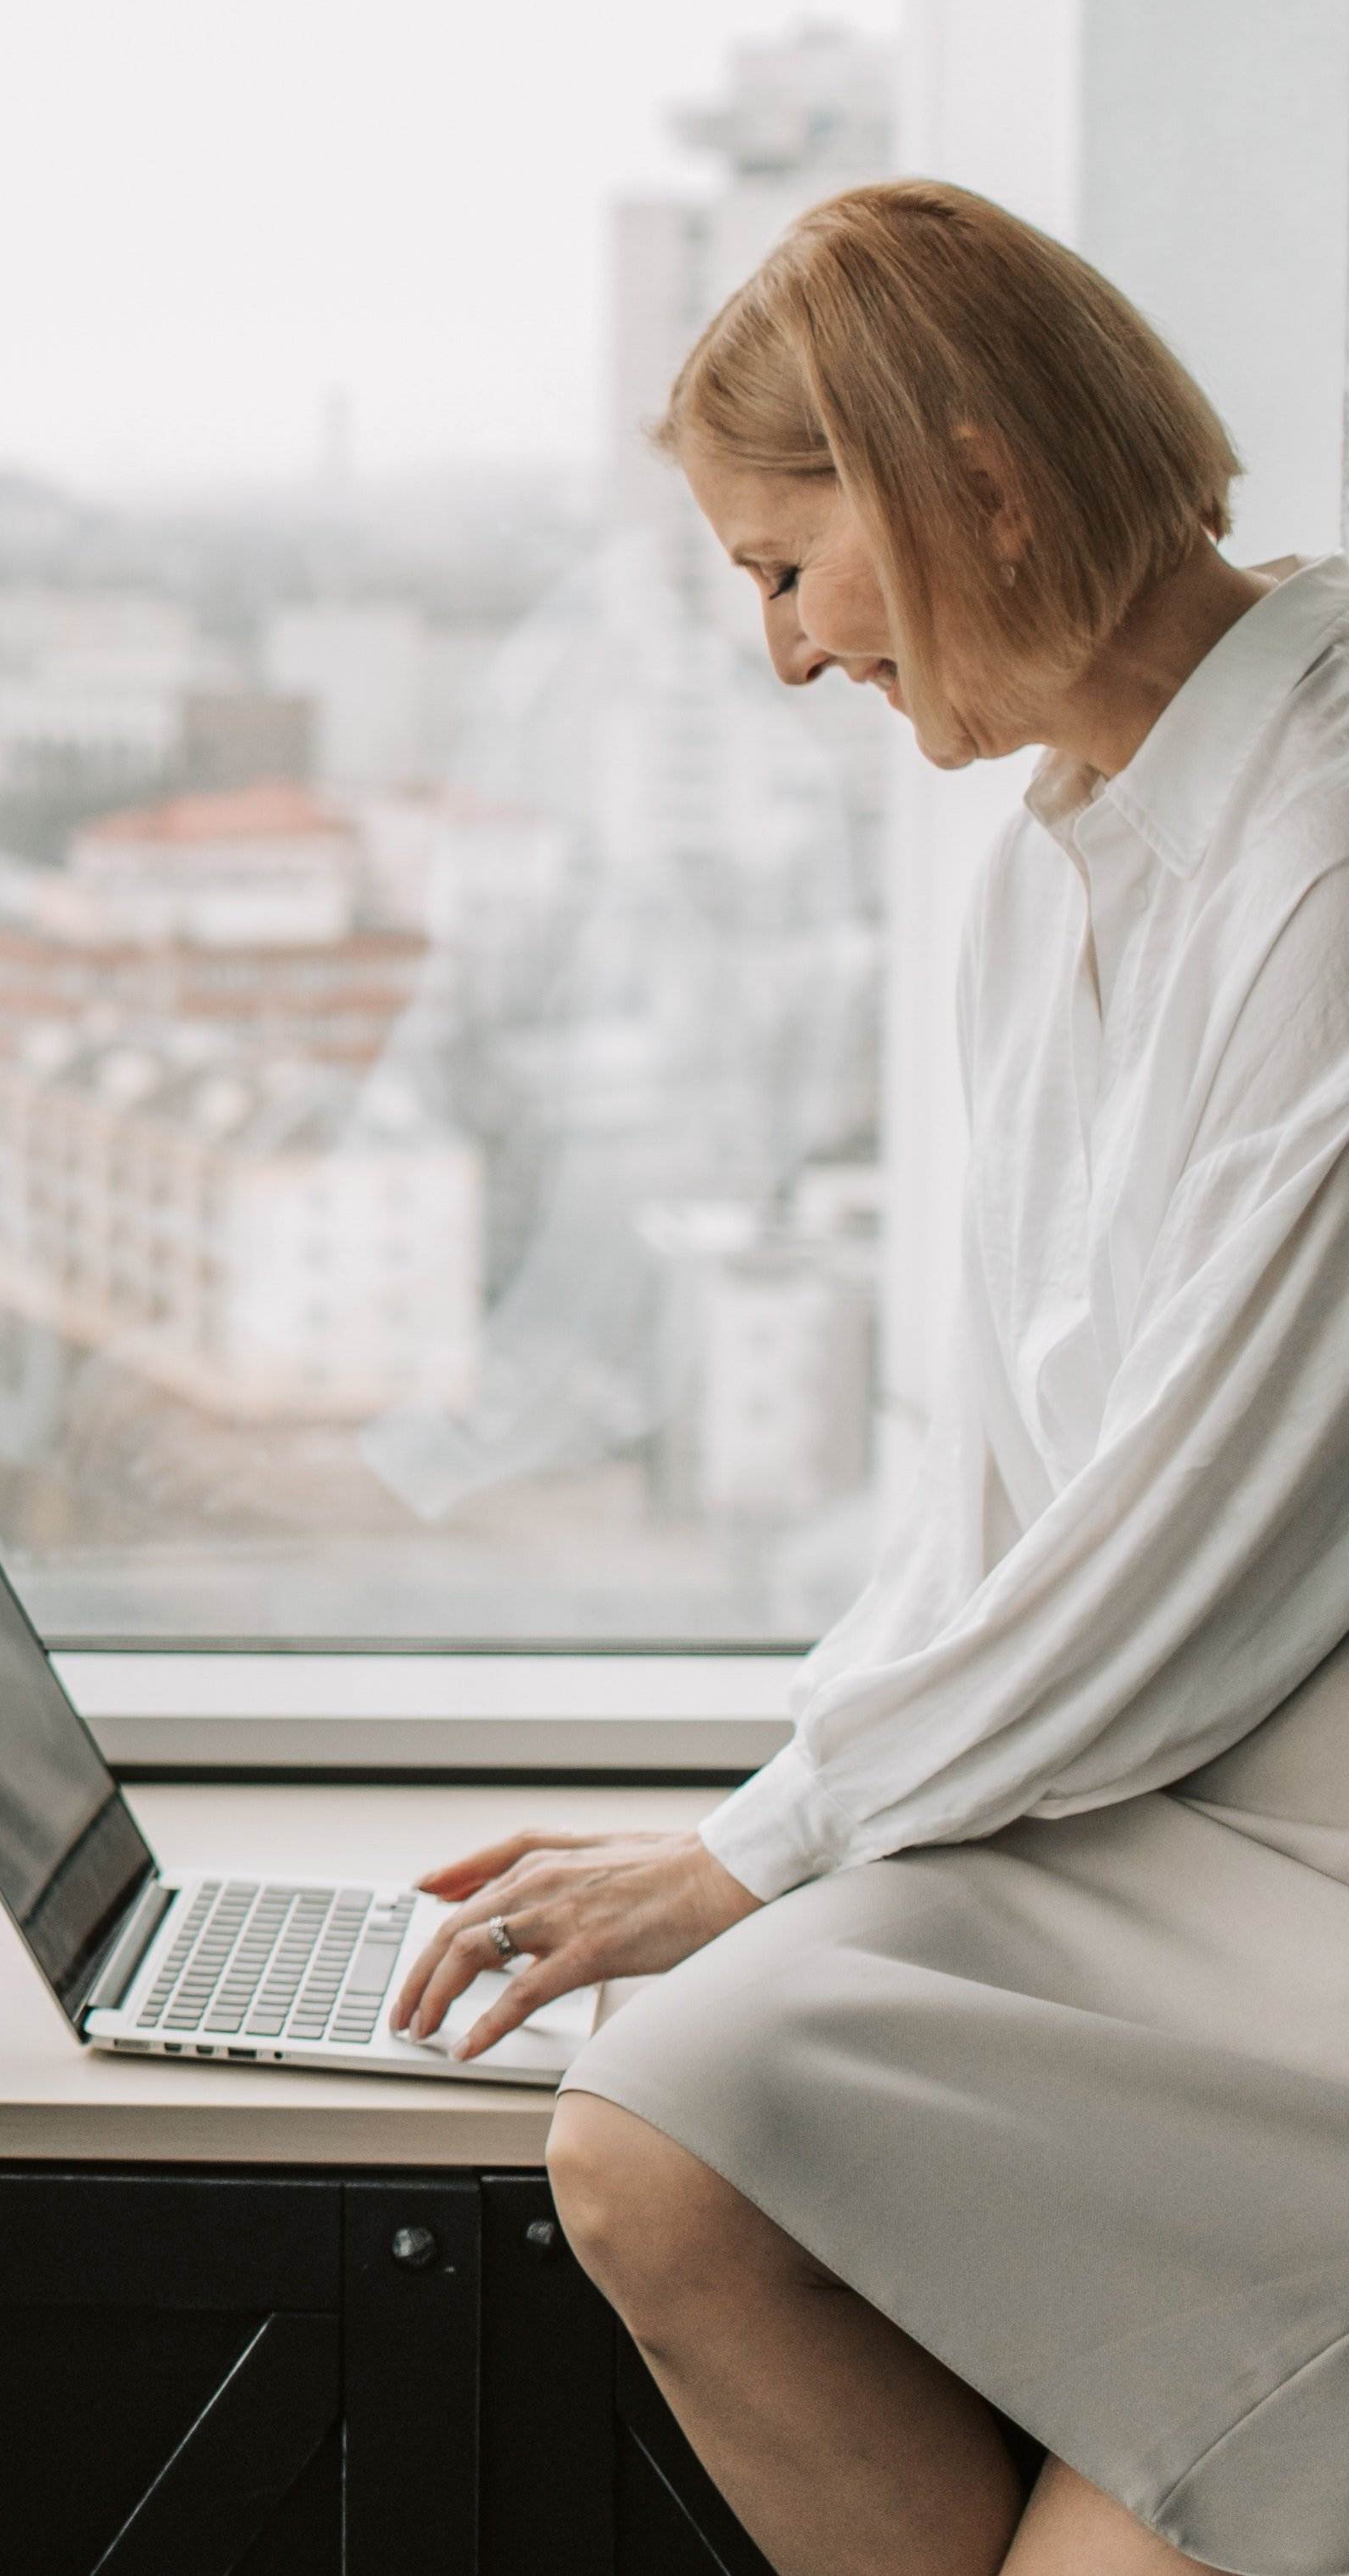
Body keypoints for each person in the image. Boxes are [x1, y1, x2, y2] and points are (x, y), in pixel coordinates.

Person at [389, 179, 1349, 2576]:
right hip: (1171, 1811)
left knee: (698, 2067)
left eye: (779, 566)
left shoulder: (1329, 846)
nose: (781, 657)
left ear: (971, 486)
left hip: (1298, 1851)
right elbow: (1004, 1502)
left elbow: (1205, 1539)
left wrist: (769, 1845)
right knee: (643, 2127)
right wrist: (784, 1797)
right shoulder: (1055, 868)